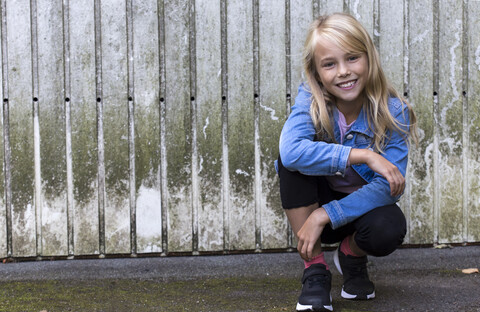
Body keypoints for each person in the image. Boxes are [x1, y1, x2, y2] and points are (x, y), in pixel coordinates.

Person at [276, 13, 418, 312]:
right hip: (313, 210)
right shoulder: (310, 101)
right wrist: (363, 155)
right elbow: (291, 152)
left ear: (369, 58)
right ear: (315, 72)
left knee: (389, 227)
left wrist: (324, 215)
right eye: (329, 64)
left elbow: (391, 185)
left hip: (352, 213)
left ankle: (350, 256)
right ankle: (315, 270)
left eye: (352, 58)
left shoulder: (394, 112)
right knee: (290, 164)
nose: (343, 72)